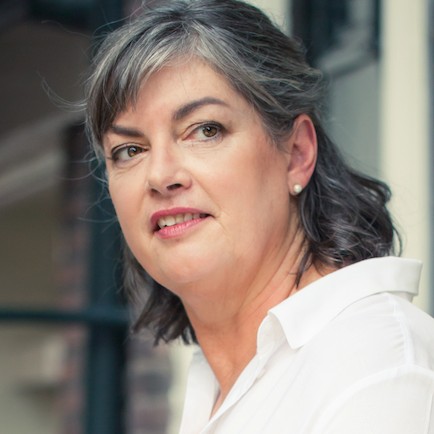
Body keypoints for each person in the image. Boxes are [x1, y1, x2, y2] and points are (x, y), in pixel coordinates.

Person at [85, 0, 434, 432]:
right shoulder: (220, 381)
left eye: (205, 130)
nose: (160, 175)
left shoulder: (377, 369)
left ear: (297, 153)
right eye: (129, 150)